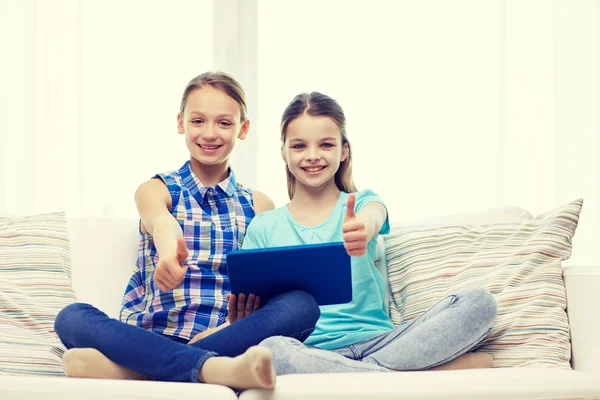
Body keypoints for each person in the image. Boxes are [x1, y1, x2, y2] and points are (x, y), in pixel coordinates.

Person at [53, 72, 320, 389]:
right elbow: (161, 222)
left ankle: (143, 369)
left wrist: (245, 317)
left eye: (223, 123)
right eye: (198, 121)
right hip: (147, 336)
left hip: (224, 334)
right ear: (181, 123)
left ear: (243, 128)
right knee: (70, 316)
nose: (210, 133)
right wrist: (168, 252)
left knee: (303, 304)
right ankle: (212, 369)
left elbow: (265, 279)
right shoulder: (157, 189)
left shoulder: (259, 204)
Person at [239, 91, 498, 374]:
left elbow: (374, 215)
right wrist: (246, 316)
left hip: (382, 342)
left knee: (479, 302)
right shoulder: (263, 226)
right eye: (299, 146)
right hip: (310, 350)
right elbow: (259, 305)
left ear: (344, 150)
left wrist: (362, 227)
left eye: (326, 144)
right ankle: (393, 377)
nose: (312, 156)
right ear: (283, 152)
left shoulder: (362, 203)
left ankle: (365, 375)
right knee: (271, 351)